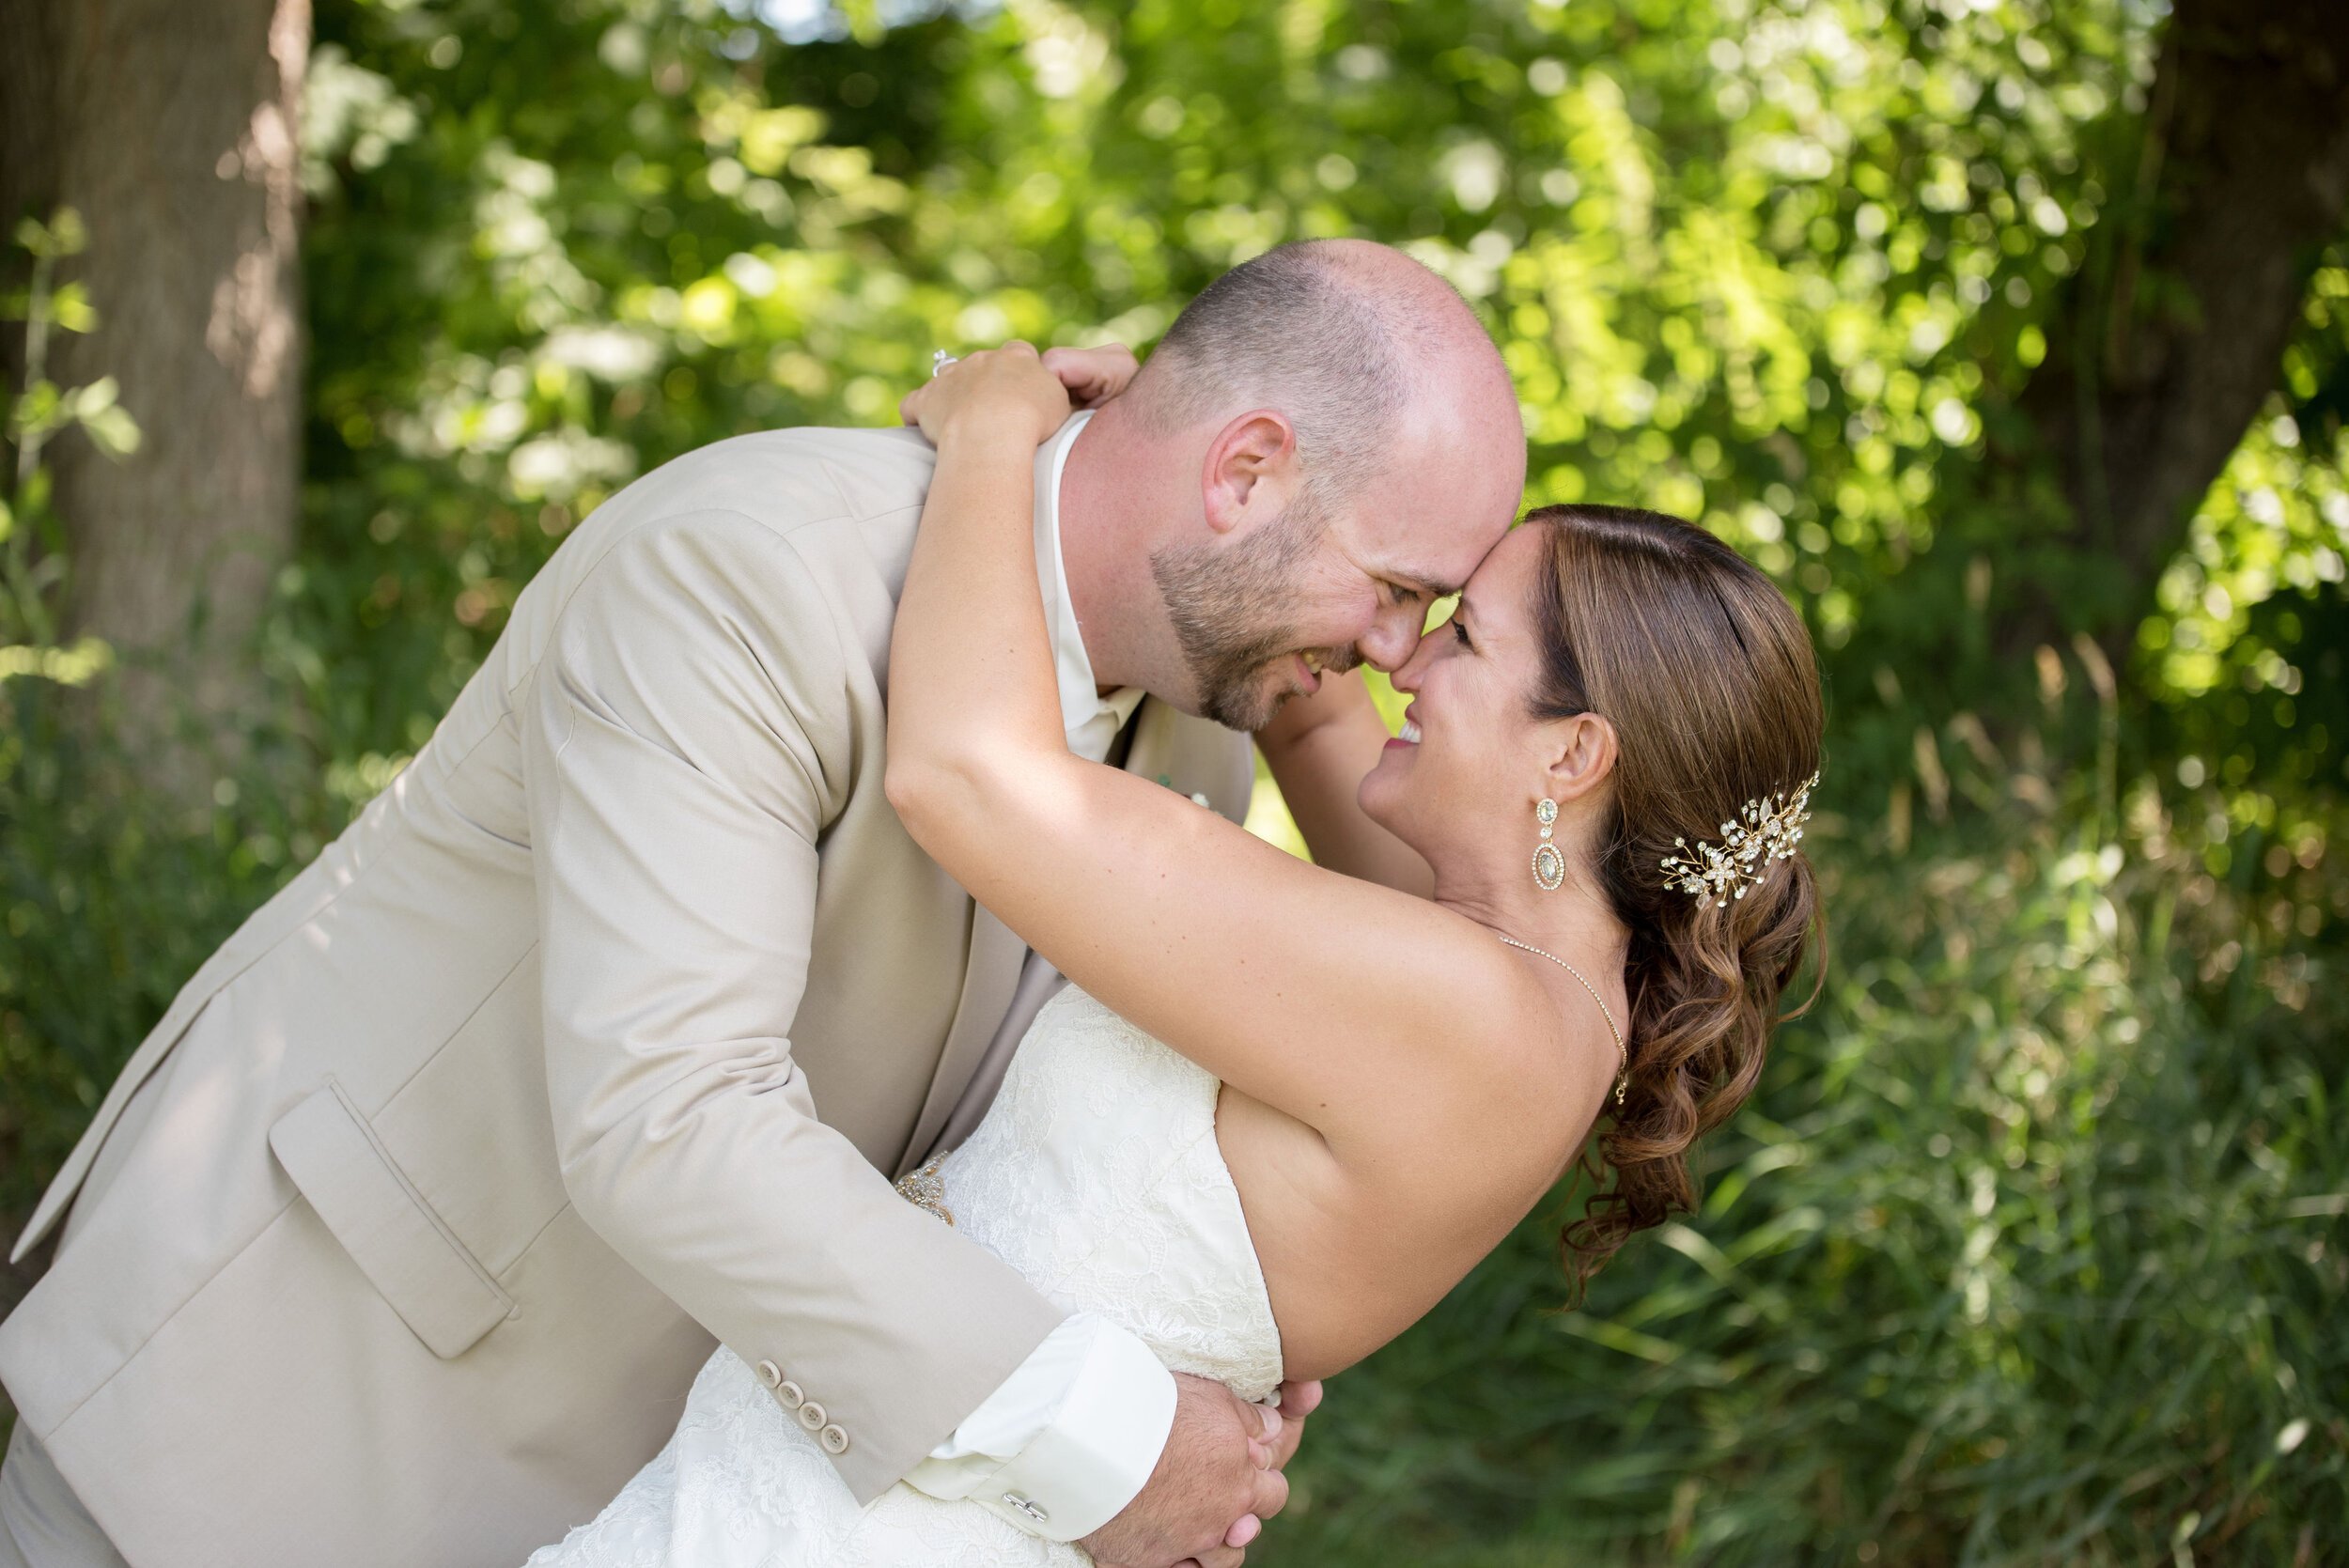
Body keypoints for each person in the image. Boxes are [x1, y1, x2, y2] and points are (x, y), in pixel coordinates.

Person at [0, 241, 1526, 1568]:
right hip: (289, 1428)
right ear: (1246, 469)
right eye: (1396, 587)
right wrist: (1108, 1433)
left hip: (658, 1491)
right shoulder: (751, 571)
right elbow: (673, 1115)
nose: (1402, 652)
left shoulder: (1200, 734)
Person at [521, 340, 1827, 1564]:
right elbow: (1312, 716)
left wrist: (992, 428)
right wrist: (1192, 465)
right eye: (1412, 602)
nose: (1403, 655)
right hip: (893, 1468)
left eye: (1463, 634)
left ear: (1573, 754)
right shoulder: (1528, 971)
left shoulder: (1465, 1010)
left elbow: (968, 776)